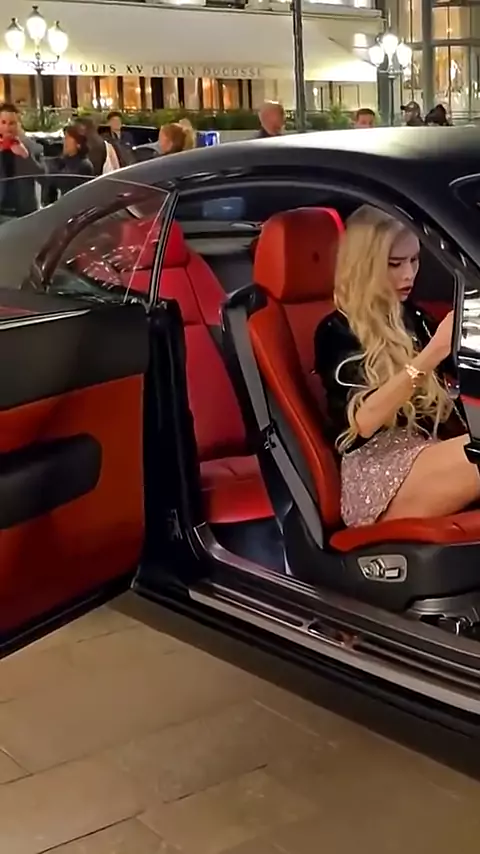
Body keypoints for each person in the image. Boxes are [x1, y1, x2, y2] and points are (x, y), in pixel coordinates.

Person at [314, 205, 476, 528]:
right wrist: (432, 353)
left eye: (414, 260)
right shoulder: (337, 330)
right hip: (378, 474)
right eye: (395, 263)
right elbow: (362, 422)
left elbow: (462, 380)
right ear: (366, 264)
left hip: (427, 451)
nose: (409, 274)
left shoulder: (415, 318)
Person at [0, 102, 45, 220]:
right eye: (3, 122)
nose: (7, 127)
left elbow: (44, 178)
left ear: (18, 124)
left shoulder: (32, 147)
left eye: (12, 123)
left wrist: (26, 156)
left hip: (24, 213)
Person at [47, 124, 94, 198]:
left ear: (78, 143)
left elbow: (64, 181)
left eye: (67, 138)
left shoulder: (84, 165)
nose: (64, 142)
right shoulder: (62, 161)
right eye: (64, 138)